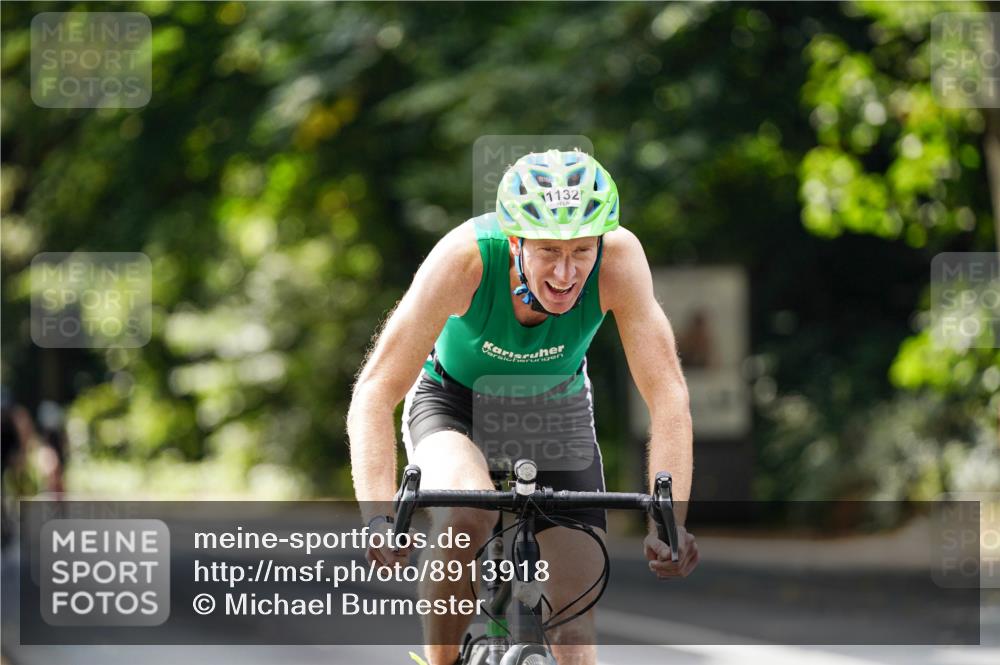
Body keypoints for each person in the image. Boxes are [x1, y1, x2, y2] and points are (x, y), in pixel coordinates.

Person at [348, 149, 698, 665]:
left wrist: (669, 525)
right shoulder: (464, 259)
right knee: (467, 511)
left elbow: (667, 395)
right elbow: (375, 390)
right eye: (548, 250)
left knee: (574, 629)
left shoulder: (620, 260)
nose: (566, 272)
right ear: (515, 242)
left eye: (582, 250)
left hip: (555, 409)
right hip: (453, 401)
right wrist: (378, 517)